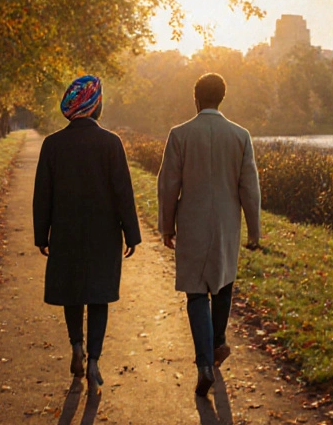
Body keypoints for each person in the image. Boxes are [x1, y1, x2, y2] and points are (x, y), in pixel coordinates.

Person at [33, 75, 142, 388]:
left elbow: (43, 194)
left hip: (66, 232)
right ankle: (94, 358)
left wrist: (43, 235)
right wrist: (131, 234)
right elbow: (123, 191)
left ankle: (76, 346)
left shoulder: (52, 145)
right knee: (99, 296)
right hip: (103, 235)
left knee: (72, 292)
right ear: (96, 106)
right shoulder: (111, 143)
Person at [157, 72, 262, 398]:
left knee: (196, 294)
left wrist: (167, 226)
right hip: (227, 226)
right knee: (224, 284)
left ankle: (205, 363)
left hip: (192, 225)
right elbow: (250, 189)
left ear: (196, 99)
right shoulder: (241, 136)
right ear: (222, 98)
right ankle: (218, 343)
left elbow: (168, 186)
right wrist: (254, 232)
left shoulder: (180, 135)